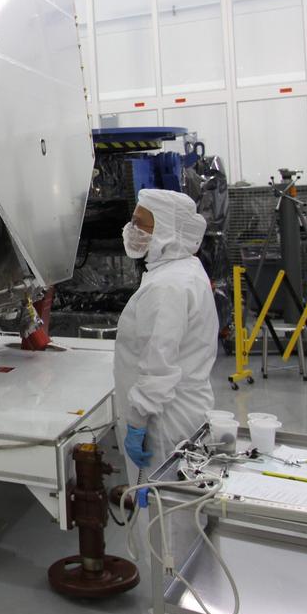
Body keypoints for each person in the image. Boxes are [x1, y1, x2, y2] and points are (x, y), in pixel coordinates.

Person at [114, 188, 218, 555]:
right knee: (180, 512)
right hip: (183, 411)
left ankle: (172, 603)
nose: (132, 230)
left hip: (163, 422)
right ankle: (179, 597)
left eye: (142, 224)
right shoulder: (183, 270)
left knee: (166, 521)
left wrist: (138, 421)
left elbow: (157, 369)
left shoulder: (168, 287)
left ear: (169, 232)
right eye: (134, 221)